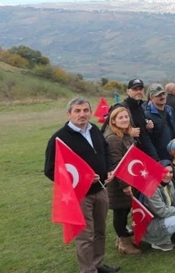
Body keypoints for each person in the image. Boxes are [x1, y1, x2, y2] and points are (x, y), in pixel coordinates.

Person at [44, 97, 120, 273]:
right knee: (86, 235)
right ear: (69, 114)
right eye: (77, 111)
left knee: (100, 230)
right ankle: (88, 270)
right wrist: (80, 181)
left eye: (85, 110)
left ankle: (98, 264)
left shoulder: (94, 129)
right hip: (80, 195)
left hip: (101, 189)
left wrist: (109, 168)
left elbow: (105, 150)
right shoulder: (59, 139)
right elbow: (50, 169)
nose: (82, 114)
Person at [103, 107, 141, 255]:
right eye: (121, 118)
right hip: (119, 183)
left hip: (128, 179)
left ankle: (121, 239)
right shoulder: (113, 138)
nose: (125, 120)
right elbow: (117, 164)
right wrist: (125, 185)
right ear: (113, 120)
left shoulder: (124, 134)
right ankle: (124, 242)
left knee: (124, 211)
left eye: (126, 117)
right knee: (120, 212)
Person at [142, 160, 175, 251]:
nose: (168, 175)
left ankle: (170, 233)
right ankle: (158, 242)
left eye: (171, 172)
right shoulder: (151, 188)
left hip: (166, 216)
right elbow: (161, 211)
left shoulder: (169, 183)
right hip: (152, 223)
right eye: (164, 172)